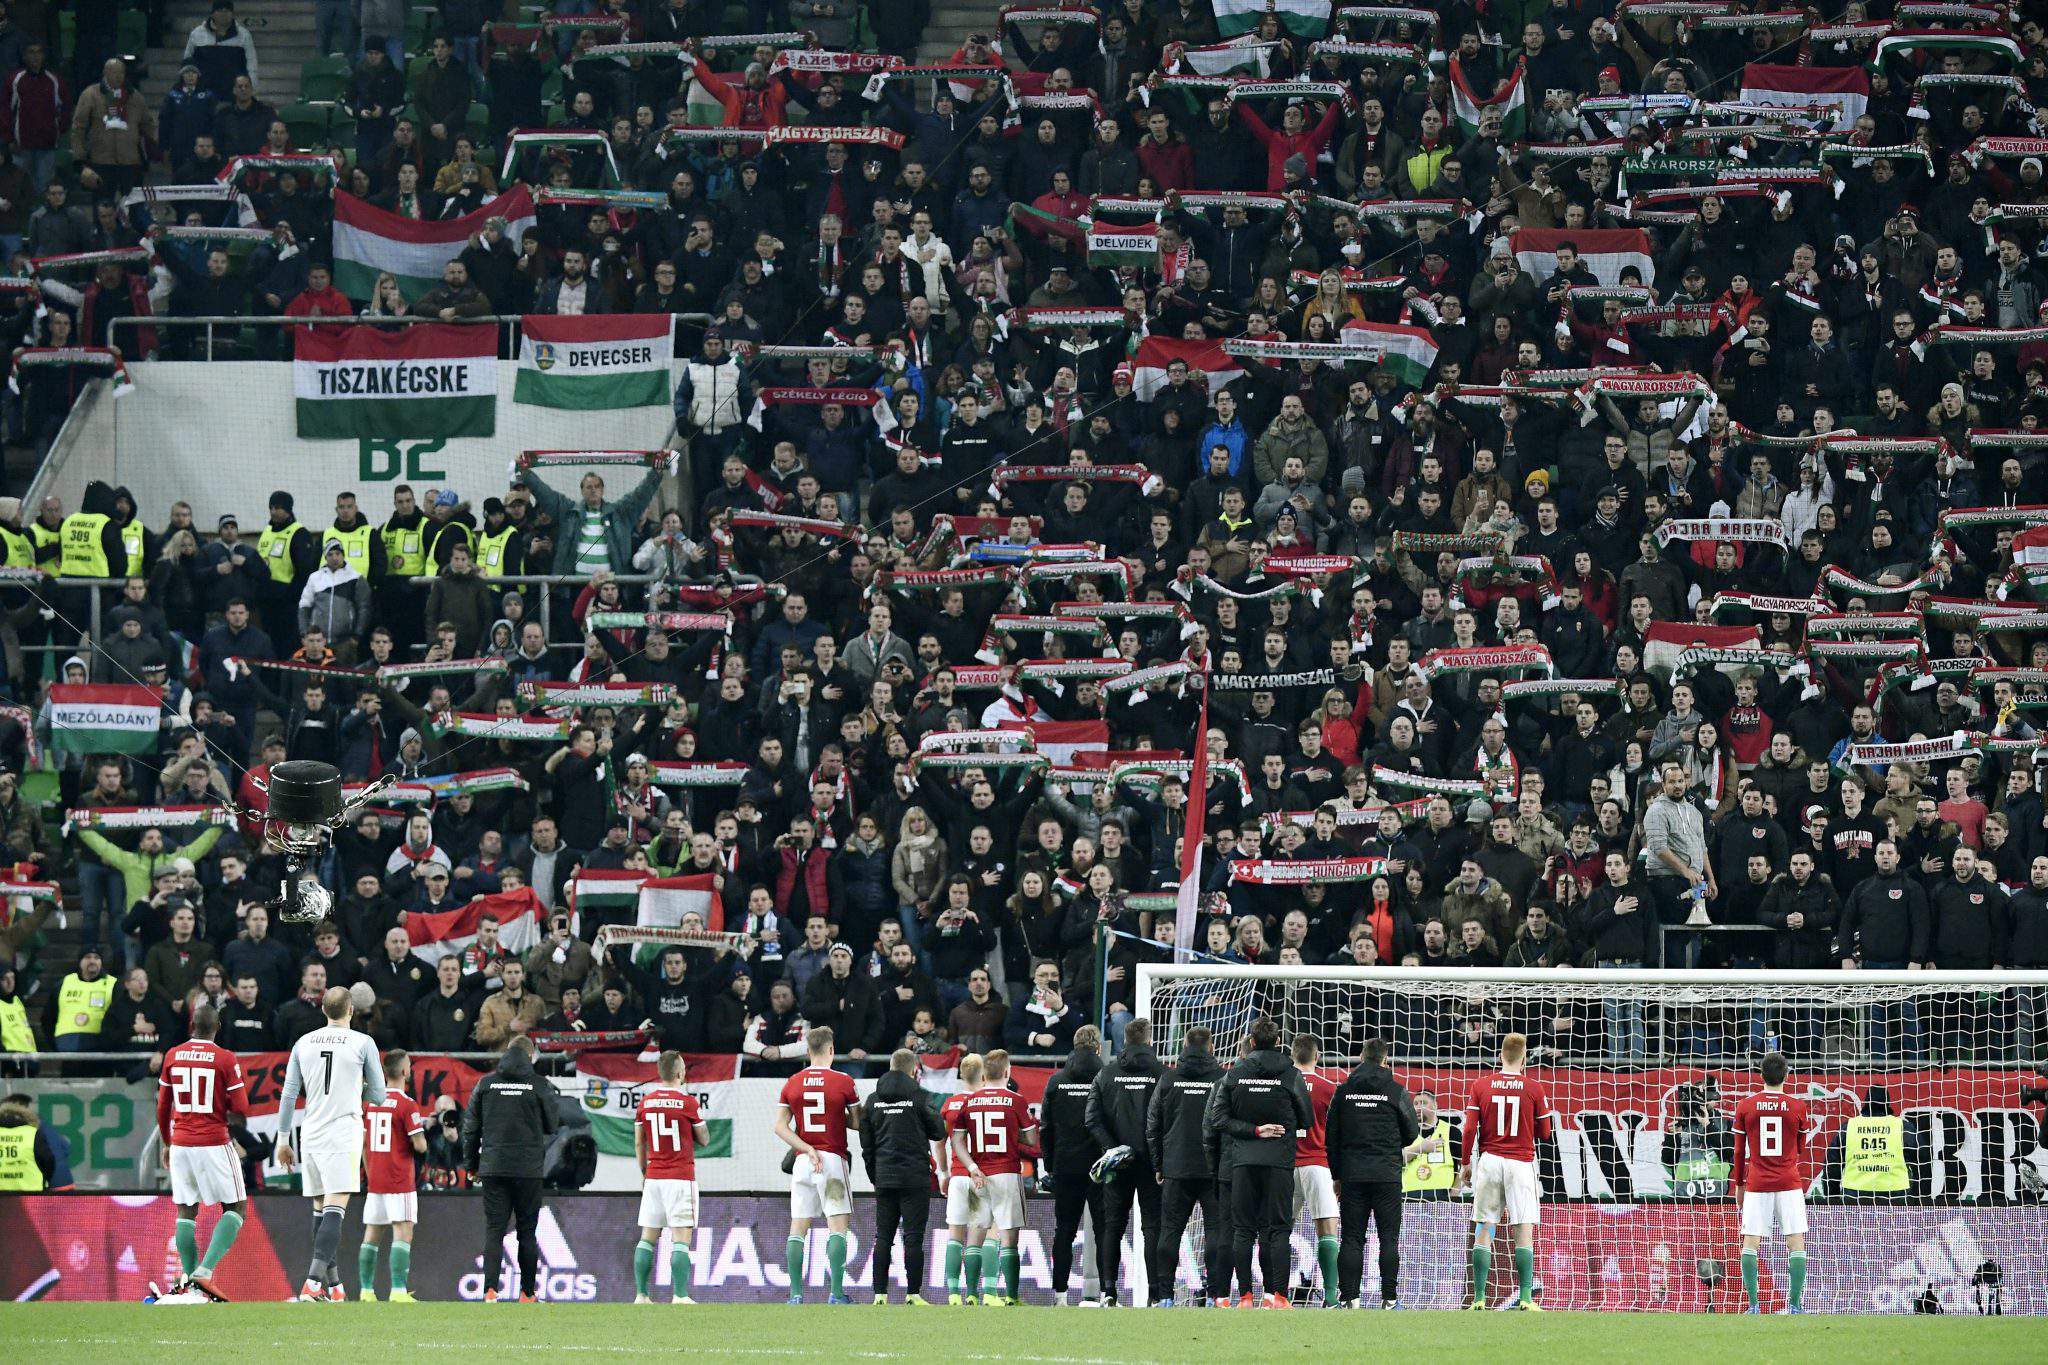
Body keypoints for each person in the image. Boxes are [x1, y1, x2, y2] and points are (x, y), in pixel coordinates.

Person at [275, 985, 385, 1303]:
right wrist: (356, 1087)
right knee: (335, 1209)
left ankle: (334, 1287)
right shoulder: (363, 1042)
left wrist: (283, 1140)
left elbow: (289, 1094)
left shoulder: (303, 1043)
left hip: (311, 1133)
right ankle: (312, 1284)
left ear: (323, 1010)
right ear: (350, 1010)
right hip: (342, 1132)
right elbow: (379, 1095)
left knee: (320, 1209)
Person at [1205, 1015, 1311, 1308]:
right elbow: (1307, 1119)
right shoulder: (1291, 1074)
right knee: (1277, 1229)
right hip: (1279, 1161)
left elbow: (1218, 1119)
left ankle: (1245, 1296)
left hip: (1243, 1161)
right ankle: (1278, 1296)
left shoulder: (1234, 1074)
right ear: (1278, 1042)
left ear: (1251, 1042)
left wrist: (1253, 1130)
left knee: (1242, 1230)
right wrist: (1278, 1125)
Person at [155, 1005, 249, 1300]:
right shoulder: (225, 1058)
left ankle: (190, 1283)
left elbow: (162, 1106)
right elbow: (242, 1107)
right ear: (217, 1026)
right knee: (236, 1207)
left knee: (186, 1210)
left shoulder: (173, 1055)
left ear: (191, 1025)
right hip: (213, 1142)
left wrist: (167, 1142)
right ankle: (204, 1272)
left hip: (181, 1143)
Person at [461, 1034, 559, 1303]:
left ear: (507, 1053)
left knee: (494, 1230)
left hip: (493, 1167)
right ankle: (527, 1293)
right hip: (528, 1169)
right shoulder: (540, 1085)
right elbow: (553, 1124)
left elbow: (470, 1129)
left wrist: (471, 1165)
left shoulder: (486, 1084)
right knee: (527, 1232)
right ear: (530, 1056)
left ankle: (490, 1291)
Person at [1324, 1035, 1420, 1309]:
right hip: (1386, 1174)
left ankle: (1350, 1299)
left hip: (1353, 1175)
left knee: (1352, 1238)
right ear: (1385, 1060)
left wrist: (1337, 1176)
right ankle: (1389, 1299)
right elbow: (1411, 1132)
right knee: (1388, 1238)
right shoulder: (1396, 1091)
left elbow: (1331, 1136)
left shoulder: (1343, 1091)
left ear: (1361, 1058)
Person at [1460, 1031, 1554, 1311]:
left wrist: (1465, 1163)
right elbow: (1545, 1133)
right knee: (1523, 1227)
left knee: (1485, 1226)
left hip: (1490, 1161)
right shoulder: (1534, 1088)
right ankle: (1526, 1298)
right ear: (1524, 1058)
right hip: (1520, 1163)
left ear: (1500, 1056)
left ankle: (1478, 1298)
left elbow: (1469, 1128)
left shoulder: (1481, 1085)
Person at [772, 1025, 862, 1304]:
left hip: (803, 1161)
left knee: (798, 1227)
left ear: (808, 1051)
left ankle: (795, 1295)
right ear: (831, 1050)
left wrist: (806, 1147)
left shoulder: (793, 1082)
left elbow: (780, 1127)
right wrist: (836, 1116)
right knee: (837, 1226)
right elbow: (857, 1123)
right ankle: (836, 1293)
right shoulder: (844, 1081)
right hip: (832, 1160)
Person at [1147, 1023, 1229, 1308]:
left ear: (1184, 1046)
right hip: (1213, 1168)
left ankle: (1165, 1296)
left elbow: (1153, 1125)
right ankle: (1216, 1295)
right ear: (1212, 1047)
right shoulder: (1222, 1079)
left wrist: (1158, 1163)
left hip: (1176, 1167)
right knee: (1216, 1231)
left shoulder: (1168, 1079)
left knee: (1170, 1230)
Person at [947, 1047, 1037, 1306]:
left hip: (979, 1176)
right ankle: (1011, 1296)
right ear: (1007, 1072)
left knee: (975, 1236)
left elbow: (957, 1141)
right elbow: (1031, 1139)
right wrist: (1011, 1136)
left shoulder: (969, 1101)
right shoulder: (1016, 1100)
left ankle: (971, 1294)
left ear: (985, 1074)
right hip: (1006, 1174)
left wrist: (972, 1167)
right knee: (1008, 1239)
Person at [1084, 1014, 1164, 1304]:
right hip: (1152, 1163)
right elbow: (1168, 1120)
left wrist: (1113, 1150)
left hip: (1117, 1163)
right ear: (1149, 1040)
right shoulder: (1162, 1074)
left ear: (1125, 1041)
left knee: (1113, 1226)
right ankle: (1156, 1295)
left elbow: (1092, 1119)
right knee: (1152, 1227)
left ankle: (1109, 1292)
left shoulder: (1106, 1074)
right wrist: (1158, 1155)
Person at [861, 1046, 946, 1305]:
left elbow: (866, 1144)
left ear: (890, 1067)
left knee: (883, 1236)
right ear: (913, 1070)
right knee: (913, 1237)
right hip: (915, 1177)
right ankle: (913, 1294)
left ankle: (879, 1295)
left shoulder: (872, 1100)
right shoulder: (920, 1097)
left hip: (884, 1177)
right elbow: (938, 1131)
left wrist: (875, 1175)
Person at [1733, 1051, 1812, 1315]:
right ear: (1787, 1075)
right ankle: (1795, 1305)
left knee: (1750, 1242)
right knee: (1795, 1242)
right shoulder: (1797, 1106)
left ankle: (1753, 1306)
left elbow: (1738, 1151)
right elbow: (1801, 1147)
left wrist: (1739, 1185)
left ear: (1760, 1075)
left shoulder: (1746, 1106)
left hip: (1757, 1183)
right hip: (1789, 1182)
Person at [633, 1050, 711, 1305]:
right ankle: (680, 1295)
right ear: (679, 1073)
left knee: (647, 1237)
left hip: (653, 1177)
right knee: (681, 1238)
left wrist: (645, 1173)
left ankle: (641, 1295)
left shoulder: (645, 1102)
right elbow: (705, 1139)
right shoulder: (688, 1103)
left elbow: (639, 1143)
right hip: (680, 1177)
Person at [1037, 1023, 1106, 1306]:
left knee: (1064, 1230)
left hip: (1066, 1165)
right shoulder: (1106, 1078)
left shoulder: (1056, 1081)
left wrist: (1050, 1165)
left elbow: (1045, 1127)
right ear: (1098, 1048)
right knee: (1104, 1231)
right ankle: (1107, 1294)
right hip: (1100, 1166)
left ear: (1074, 1047)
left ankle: (1060, 1295)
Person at [358, 1049, 427, 1302]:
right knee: (403, 1231)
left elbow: (364, 1143)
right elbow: (420, 1146)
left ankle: (366, 1291)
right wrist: (422, 1136)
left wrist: (370, 1172)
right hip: (400, 1180)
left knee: (372, 1234)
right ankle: (398, 1290)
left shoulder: (369, 1102)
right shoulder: (407, 1104)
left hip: (376, 1178)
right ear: (405, 1071)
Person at [1290, 1034, 1342, 1307]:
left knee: (1278, 1231)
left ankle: (1276, 1293)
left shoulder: (1283, 1083)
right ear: (1317, 1056)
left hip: (1285, 1165)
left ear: (1292, 1056)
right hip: (1318, 1164)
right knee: (1327, 1229)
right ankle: (1331, 1297)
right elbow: (1338, 1133)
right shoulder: (1329, 1088)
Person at [938, 1051, 991, 1303]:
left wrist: (943, 1173)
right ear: (984, 1076)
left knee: (955, 1237)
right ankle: (971, 1293)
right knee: (976, 1241)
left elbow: (940, 1142)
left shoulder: (950, 1104)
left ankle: (952, 1294)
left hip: (958, 1175)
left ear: (961, 1075)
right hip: (981, 1176)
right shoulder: (989, 1102)